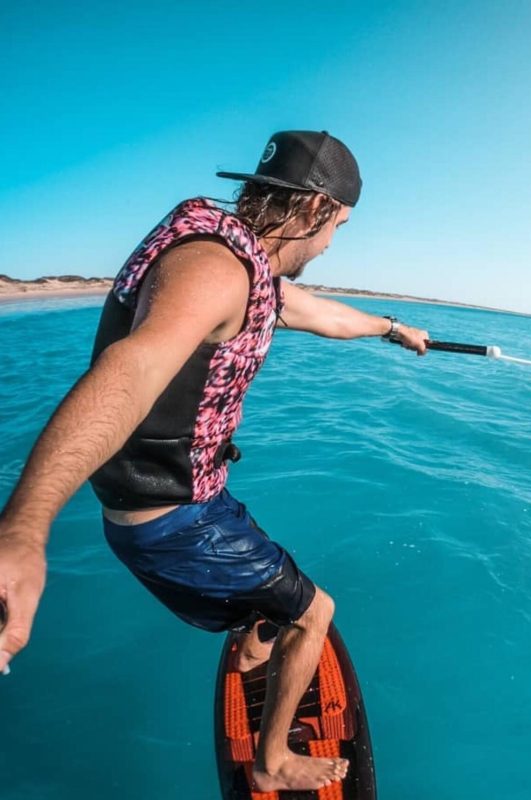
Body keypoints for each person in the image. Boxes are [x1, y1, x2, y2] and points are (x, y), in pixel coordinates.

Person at [0, 130, 429, 792]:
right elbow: (132, 369)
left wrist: (391, 329)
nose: (333, 243)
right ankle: (273, 759)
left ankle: (258, 633)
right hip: (172, 523)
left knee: (261, 605)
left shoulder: (240, 260)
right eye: (339, 226)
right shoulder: (215, 270)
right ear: (315, 210)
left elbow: (318, 313)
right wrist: (26, 529)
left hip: (192, 502)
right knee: (316, 611)